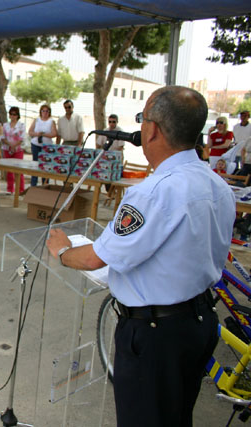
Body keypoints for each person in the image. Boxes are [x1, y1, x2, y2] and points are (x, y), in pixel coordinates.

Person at [46, 86, 235, 427]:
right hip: (199, 323)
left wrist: (61, 250)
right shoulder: (217, 184)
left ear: (152, 130)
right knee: (176, 417)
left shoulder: (152, 192)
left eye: (143, 119)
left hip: (155, 335)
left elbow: (94, 259)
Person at [28, 104, 57, 186]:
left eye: (47, 111)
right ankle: (33, 184)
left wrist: (44, 135)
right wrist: (37, 134)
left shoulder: (51, 121)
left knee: (45, 165)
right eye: (43, 111)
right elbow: (30, 131)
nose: (45, 113)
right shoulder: (36, 120)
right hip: (36, 144)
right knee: (35, 164)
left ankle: (45, 184)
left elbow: (54, 133)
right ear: (40, 112)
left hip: (46, 146)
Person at [1, 106, 26, 195]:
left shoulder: (21, 125)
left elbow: (22, 138)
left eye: (14, 114)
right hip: (7, 149)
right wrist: (10, 145)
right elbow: (3, 137)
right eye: (11, 114)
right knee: (9, 170)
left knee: (18, 170)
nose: (12, 116)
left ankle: (20, 189)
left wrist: (14, 145)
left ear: (17, 115)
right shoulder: (5, 125)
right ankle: (10, 189)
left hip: (18, 150)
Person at [235, 111, 251, 175]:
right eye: (242, 116)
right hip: (237, 151)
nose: (243, 117)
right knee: (235, 169)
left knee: (244, 169)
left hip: (246, 152)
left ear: (248, 117)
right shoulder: (235, 127)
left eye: (245, 116)